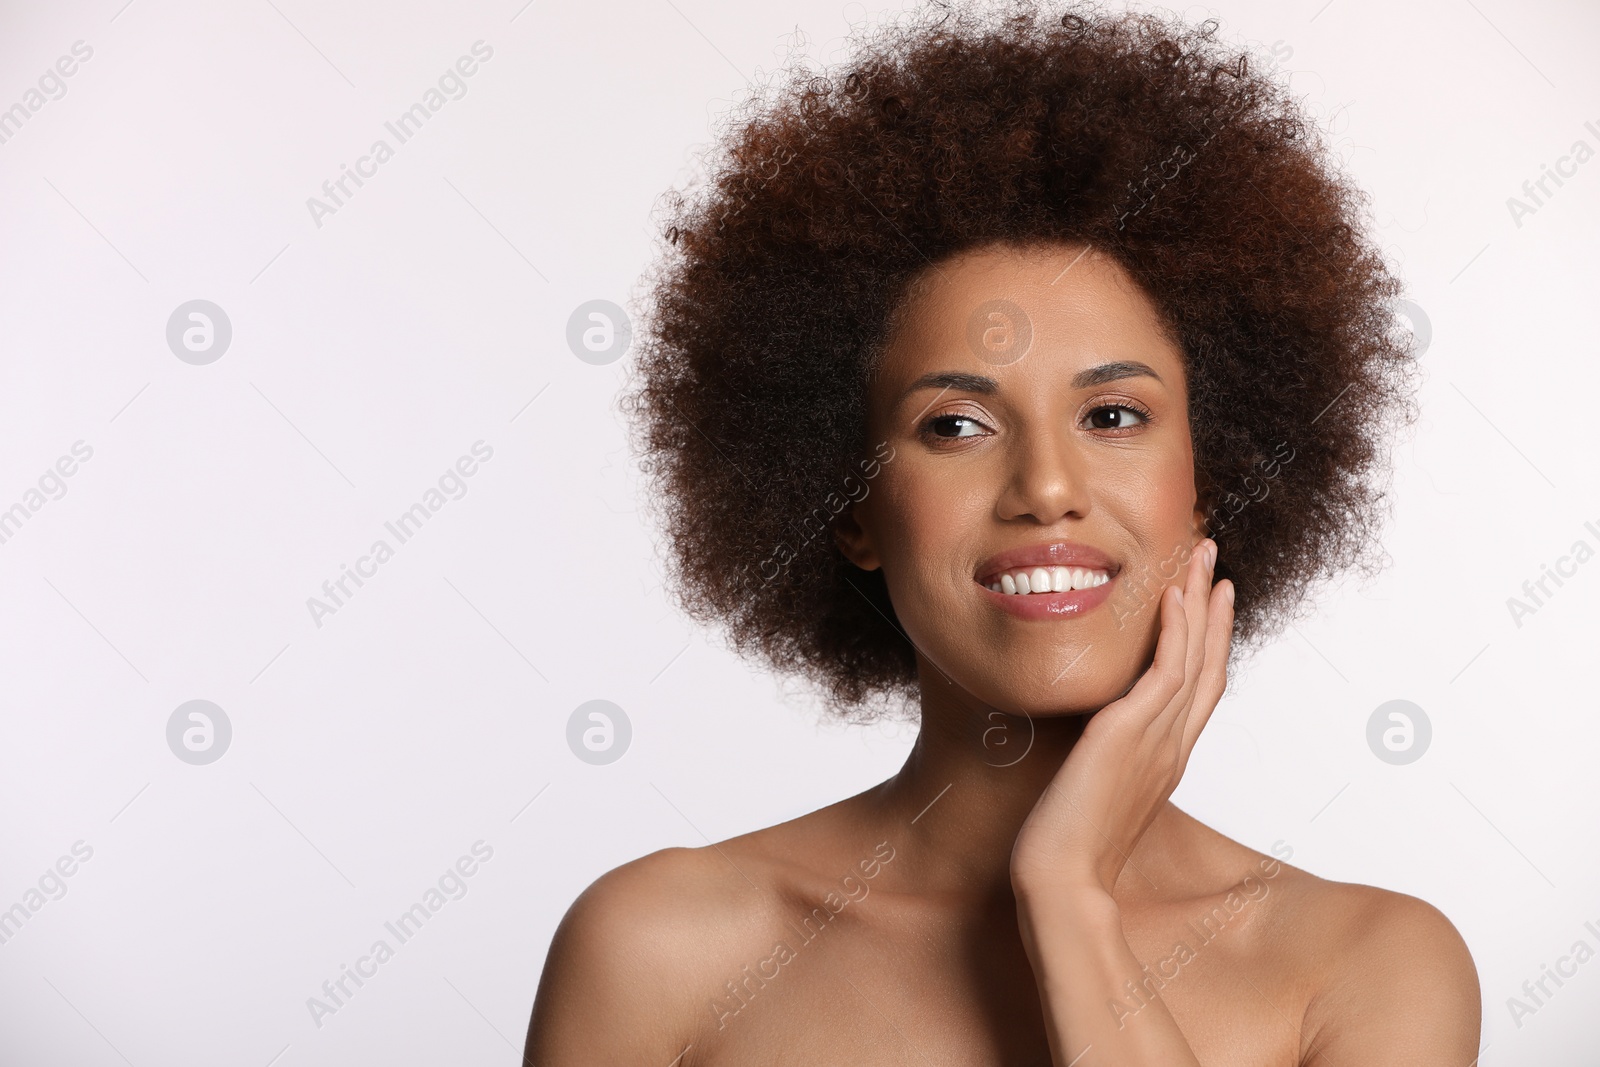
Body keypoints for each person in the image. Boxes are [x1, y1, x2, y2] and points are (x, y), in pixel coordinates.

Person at [526, 2, 1481, 1062]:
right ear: (850, 510)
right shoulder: (660, 950)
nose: (1045, 485)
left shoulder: (1367, 965)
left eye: (1113, 416)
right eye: (957, 425)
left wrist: (1069, 895)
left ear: (1210, 484)